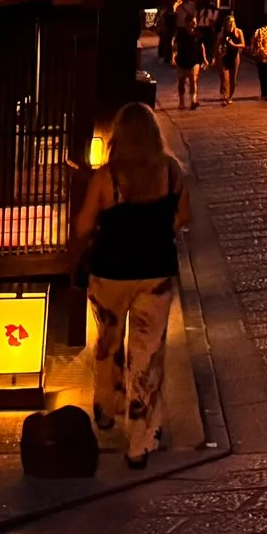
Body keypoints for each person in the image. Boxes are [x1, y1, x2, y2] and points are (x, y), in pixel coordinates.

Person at [69, 102, 189, 470]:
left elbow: (83, 227)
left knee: (108, 342)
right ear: (154, 135)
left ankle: (106, 406)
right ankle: (139, 440)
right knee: (146, 354)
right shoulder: (171, 172)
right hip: (153, 274)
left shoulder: (108, 178)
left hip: (109, 274)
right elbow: (183, 218)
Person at [171, 11, 206, 109]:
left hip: (194, 60)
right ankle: (181, 102)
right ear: (187, 22)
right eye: (193, 21)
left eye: (195, 21)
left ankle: (193, 100)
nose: (195, 23)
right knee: (181, 81)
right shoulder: (180, 32)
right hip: (182, 60)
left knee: (193, 80)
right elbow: (175, 45)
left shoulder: (198, 33)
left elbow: (202, 46)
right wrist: (173, 57)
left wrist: (205, 58)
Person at [214, 10, 245, 106]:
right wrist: (216, 57)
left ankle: (230, 96)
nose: (231, 25)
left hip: (235, 57)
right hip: (224, 57)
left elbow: (243, 44)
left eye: (233, 23)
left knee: (233, 80)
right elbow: (217, 45)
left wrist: (234, 45)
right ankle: (225, 97)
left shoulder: (238, 32)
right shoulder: (222, 33)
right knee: (225, 78)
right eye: (229, 23)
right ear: (225, 24)